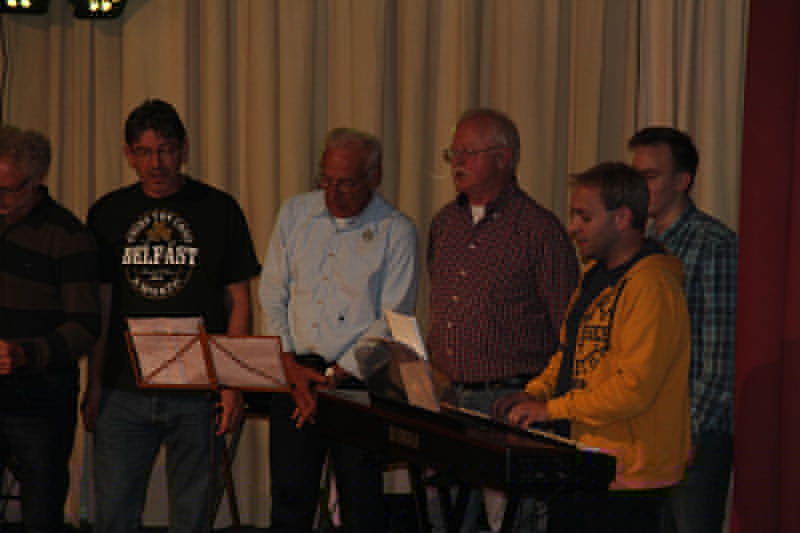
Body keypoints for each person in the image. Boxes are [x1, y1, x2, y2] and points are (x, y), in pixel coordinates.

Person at [83, 99, 261, 533]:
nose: (155, 163)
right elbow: (100, 305)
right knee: (113, 515)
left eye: (165, 150)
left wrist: (233, 384)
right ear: (128, 154)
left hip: (198, 392)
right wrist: (94, 384)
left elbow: (239, 302)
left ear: (183, 149)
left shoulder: (219, 209)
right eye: (144, 152)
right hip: (122, 391)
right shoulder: (107, 213)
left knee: (192, 516)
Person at [493, 161, 692, 533]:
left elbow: (633, 389)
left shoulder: (651, 286)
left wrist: (551, 409)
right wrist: (534, 392)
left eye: (584, 217)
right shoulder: (593, 278)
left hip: (629, 475)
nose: (573, 228)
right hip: (584, 460)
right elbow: (568, 356)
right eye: (574, 216)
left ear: (622, 218)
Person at [259, 127, 418, 533]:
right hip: (295, 373)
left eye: (345, 183)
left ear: (374, 176)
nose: (333, 193)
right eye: (326, 180)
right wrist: (290, 364)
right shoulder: (295, 213)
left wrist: (333, 377)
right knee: (289, 500)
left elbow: (393, 317)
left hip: (356, 381)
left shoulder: (396, 230)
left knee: (360, 503)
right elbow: (273, 292)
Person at [427, 108, 579, 532]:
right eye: (453, 153)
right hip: (449, 399)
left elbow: (569, 329)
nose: (457, 162)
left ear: (503, 158)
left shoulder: (539, 230)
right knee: (445, 518)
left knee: (512, 522)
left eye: (468, 152)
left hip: (510, 402)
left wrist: (546, 404)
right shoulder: (445, 223)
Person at [629, 127, 737, 533]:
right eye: (635, 175)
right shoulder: (639, 245)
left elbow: (720, 357)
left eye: (650, 176)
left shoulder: (714, 244)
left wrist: (685, 430)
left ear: (682, 180)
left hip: (694, 433)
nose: (639, 186)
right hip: (645, 431)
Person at [0, 125, 100, 533]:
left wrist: (26, 353)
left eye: (8, 190)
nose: (0, 200)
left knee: (41, 511)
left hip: (40, 399)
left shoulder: (68, 236)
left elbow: (85, 326)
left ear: (37, 179)